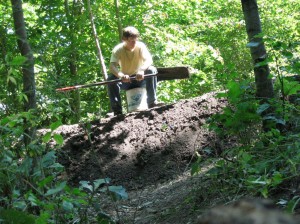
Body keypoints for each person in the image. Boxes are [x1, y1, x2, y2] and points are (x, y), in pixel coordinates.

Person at [107, 26, 161, 115]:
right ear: (124, 39)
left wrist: (141, 70)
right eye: (131, 41)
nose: (134, 43)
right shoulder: (118, 49)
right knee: (111, 79)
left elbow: (149, 60)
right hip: (126, 81)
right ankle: (116, 110)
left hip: (140, 79)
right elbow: (112, 66)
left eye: (135, 40)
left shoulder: (140, 46)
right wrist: (121, 75)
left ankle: (152, 103)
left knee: (151, 70)